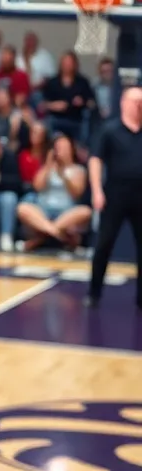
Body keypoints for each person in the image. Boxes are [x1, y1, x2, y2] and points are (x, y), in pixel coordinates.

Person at [86, 86, 142, 309]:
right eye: (136, 101)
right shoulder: (110, 130)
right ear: (124, 103)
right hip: (115, 194)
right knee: (104, 244)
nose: (139, 105)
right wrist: (97, 190)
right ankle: (94, 293)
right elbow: (95, 160)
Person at [16, 133, 92, 251]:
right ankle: (58, 234)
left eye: (64, 148)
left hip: (66, 212)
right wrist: (48, 165)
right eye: (58, 148)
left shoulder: (78, 170)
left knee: (85, 211)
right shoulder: (47, 167)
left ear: (71, 150)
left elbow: (77, 193)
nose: (61, 151)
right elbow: (37, 186)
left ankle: (40, 239)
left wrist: (63, 175)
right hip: (44, 210)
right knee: (22, 208)